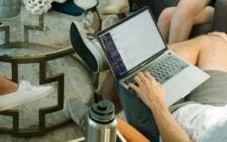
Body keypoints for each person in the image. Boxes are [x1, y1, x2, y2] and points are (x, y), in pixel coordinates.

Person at [70, 32, 227, 141]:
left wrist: (156, 102)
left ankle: (99, 111)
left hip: (174, 128)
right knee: (215, 42)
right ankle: (144, 56)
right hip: (215, 112)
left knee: (126, 72)